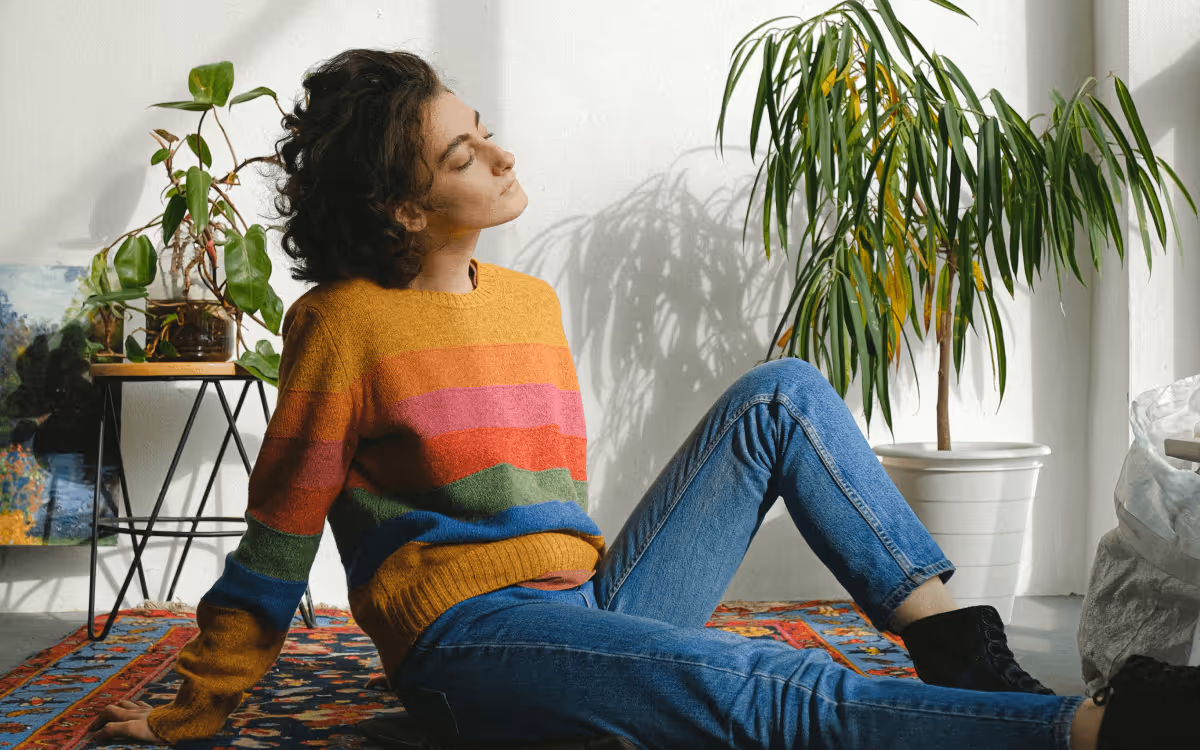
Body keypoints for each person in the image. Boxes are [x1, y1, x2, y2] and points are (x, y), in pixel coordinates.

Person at [87, 48, 1198, 749]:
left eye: (480, 127)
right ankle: (1099, 730)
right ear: (405, 208)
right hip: (472, 650)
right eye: (466, 152)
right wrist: (204, 701)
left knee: (784, 393)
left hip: (590, 600)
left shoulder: (522, 299)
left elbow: (548, 513)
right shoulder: (338, 325)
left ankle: (973, 664)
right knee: (775, 689)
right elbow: (280, 534)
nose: (502, 153)